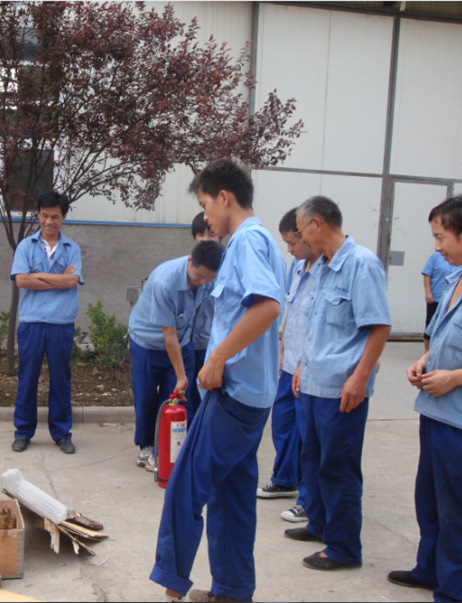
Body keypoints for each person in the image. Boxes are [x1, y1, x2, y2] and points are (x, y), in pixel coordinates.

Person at [150, 160, 286, 603]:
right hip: (252, 396)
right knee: (232, 496)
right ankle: (232, 591)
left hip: (232, 395)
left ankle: (172, 584)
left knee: (185, 487)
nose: (205, 216)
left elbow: (267, 308)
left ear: (225, 197)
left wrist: (218, 358)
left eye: (206, 204)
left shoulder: (246, 241)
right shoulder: (264, 242)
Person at [291, 196, 391, 571]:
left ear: (317, 224)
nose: (301, 239)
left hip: (341, 390)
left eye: (301, 230)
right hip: (314, 383)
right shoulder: (323, 266)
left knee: (339, 467)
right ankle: (319, 524)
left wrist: (360, 377)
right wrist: (302, 366)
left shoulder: (361, 264)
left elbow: (379, 326)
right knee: (313, 460)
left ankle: (344, 547)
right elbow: (317, 325)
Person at [388, 194, 462, 603]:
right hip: (435, 412)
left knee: (460, 510)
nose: (437, 247)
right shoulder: (455, 281)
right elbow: (438, 338)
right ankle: (431, 568)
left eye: (442, 238)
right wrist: (423, 361)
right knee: (431, 499)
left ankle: (458, 591)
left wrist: (456, 378)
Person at [128, 240, 223, 472]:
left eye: (208, 279)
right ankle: (147, 446)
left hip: (182, 340)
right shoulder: (165, 282)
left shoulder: (208, 279)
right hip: (148, 342)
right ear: (190, 261)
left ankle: (168, 450)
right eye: (199, 277)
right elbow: (168, 334)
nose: (203, 282)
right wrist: (181, 374)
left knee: (177, 396)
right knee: (146, 397)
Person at [256, 208, 321, 526]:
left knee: (309, 436)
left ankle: (308, 501)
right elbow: (290, 310)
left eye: (293, 242)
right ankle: (285, 479)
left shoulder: (328, 270)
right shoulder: (296, 267)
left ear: (308, 234)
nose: (290, 250)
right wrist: (282, 345)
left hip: (309, 368)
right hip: (289, 362)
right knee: (283, 424)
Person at [10, 191, 83, 455]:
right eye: (44, 215)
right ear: (38, 215)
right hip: (31, 322)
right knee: (27, 379)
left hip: (61, 324)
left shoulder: (72, 249)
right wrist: (58, 278)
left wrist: (38, 276)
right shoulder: (25, 246)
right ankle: (23, 432)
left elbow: (72, 281)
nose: (49, 221)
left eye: (55, 216)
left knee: (61, 380)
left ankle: (62, 434)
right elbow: (21, 280)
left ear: (63, 217)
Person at [188, 213, 222, 422]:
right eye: (201, 235)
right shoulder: (192, 266)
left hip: (212, 345)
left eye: (211, 234)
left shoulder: (226, 269)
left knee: (209, 395)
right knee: (190, 395)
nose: (206, 239)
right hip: (190, 343)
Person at [421, 250, 454, 351]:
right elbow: (427, 274)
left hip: (452, 300)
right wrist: (428, 292)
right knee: (430, 326)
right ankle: (427, 352)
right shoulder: (435, 257)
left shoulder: (461, 260)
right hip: (436, 298)